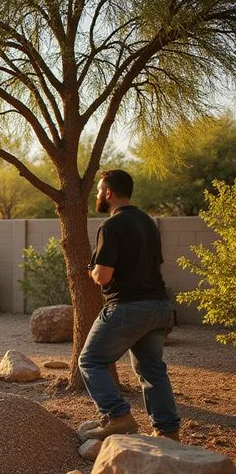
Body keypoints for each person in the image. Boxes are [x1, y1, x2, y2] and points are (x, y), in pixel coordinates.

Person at [79, 169, 181, 441]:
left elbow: (103, 276)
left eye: (99, 190)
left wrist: (91, 270)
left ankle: (118, 416)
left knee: (90, 360)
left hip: (128, 307)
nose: (97, 195)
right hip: (159, 307)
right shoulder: (148, 223)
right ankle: (168, 431)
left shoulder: (111, 226)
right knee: (152, 369)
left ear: (109, 193)